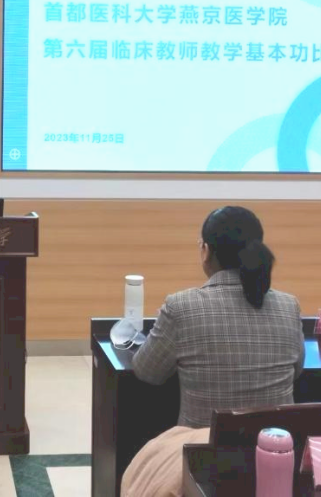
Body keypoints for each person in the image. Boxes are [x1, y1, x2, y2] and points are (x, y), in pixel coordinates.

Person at [122, 206, 303, 497]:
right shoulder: (288, 306)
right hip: (276, 459)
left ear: (206, 251)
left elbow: (147, 371)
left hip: (203, 462)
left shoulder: (182, 307)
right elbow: (297, 370)